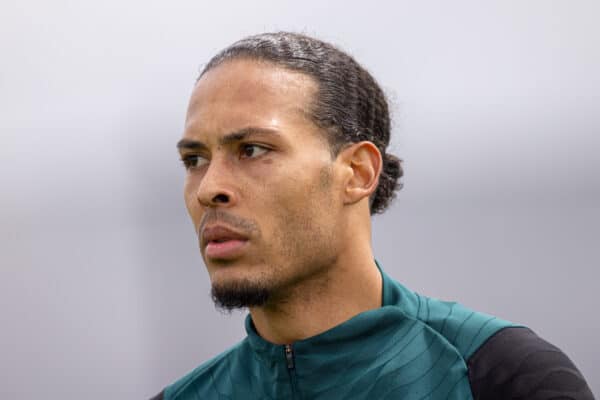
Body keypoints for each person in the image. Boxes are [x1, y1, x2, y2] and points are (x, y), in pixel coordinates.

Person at [151, 32, 593, 399]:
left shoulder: (503, 378)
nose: (209, 188)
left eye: (253, 150)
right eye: (194, 160)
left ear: (358, 173)